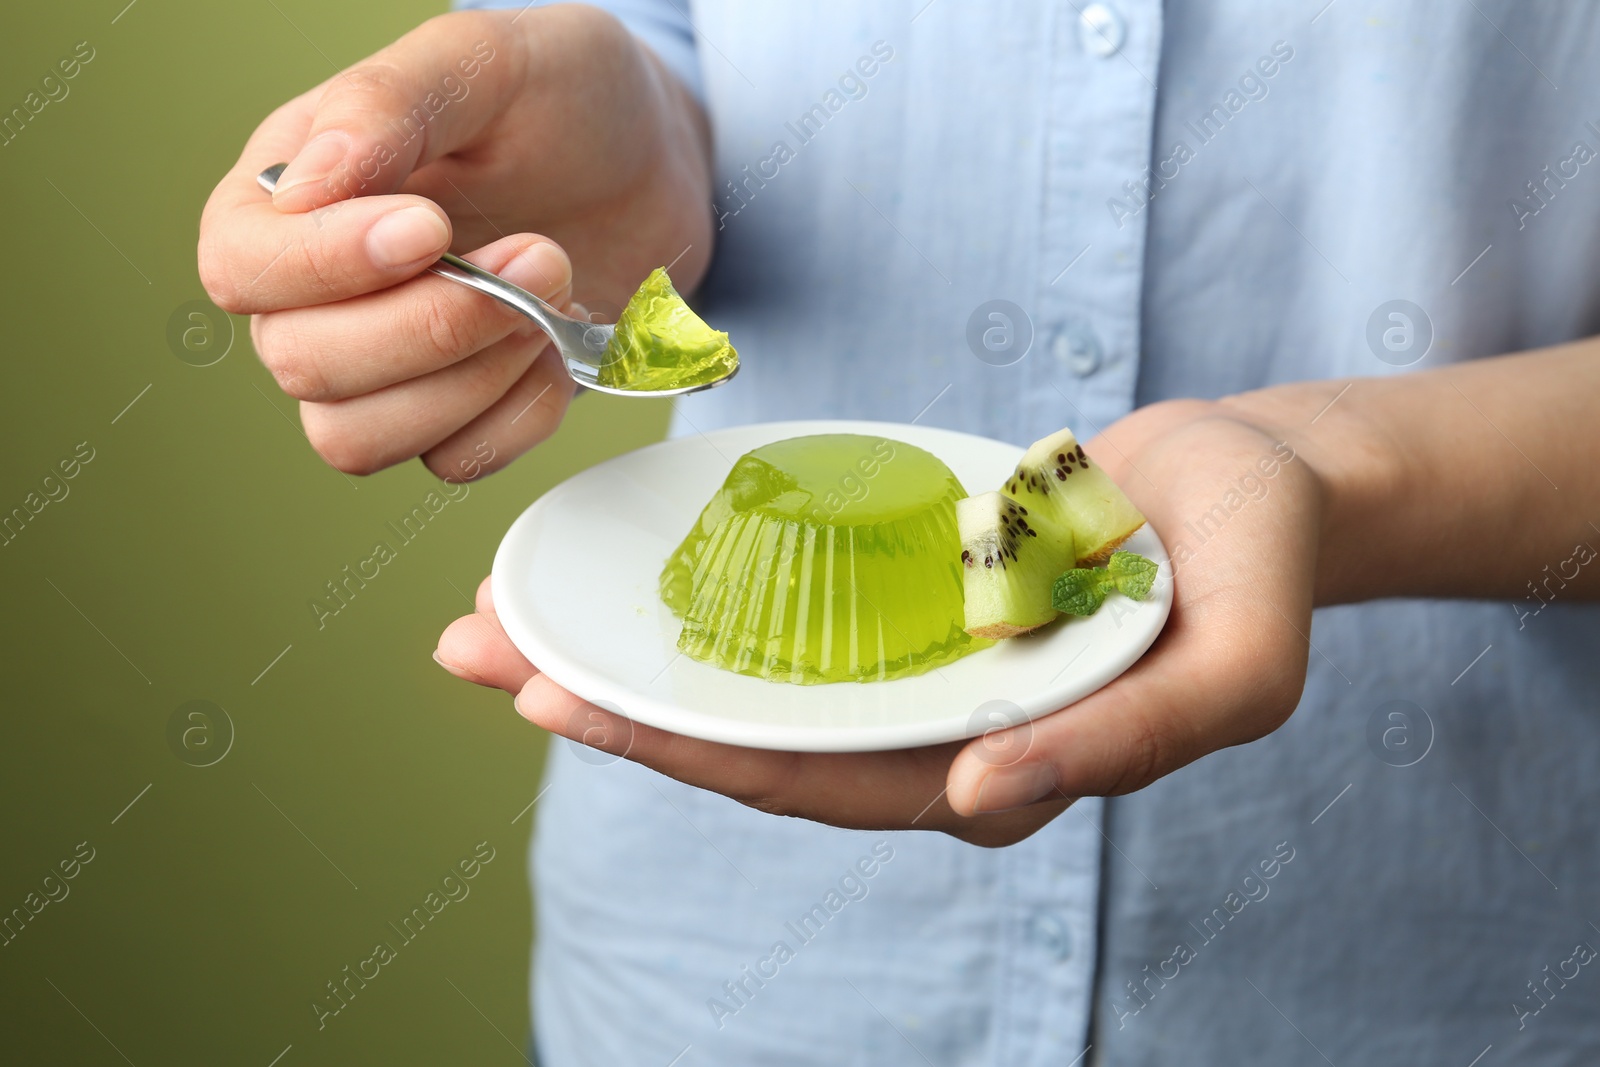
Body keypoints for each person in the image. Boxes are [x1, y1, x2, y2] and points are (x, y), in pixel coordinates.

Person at [199, 2, 1600, 1063]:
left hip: (1445, 969)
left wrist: (1339, 469)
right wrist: (630, 117)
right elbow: (669, 40)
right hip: (731, 981)